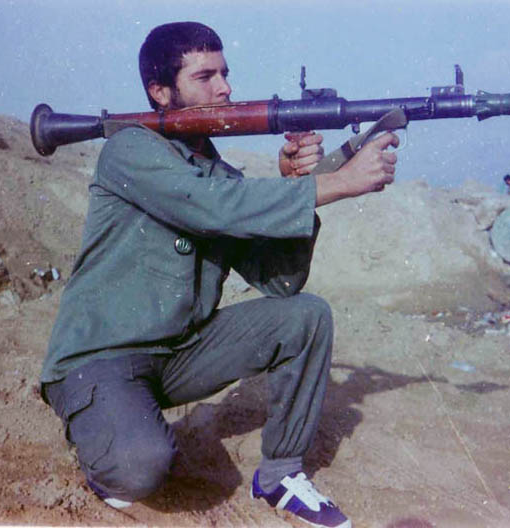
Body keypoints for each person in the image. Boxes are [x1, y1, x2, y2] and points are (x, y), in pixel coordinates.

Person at [40, 21, 398, 528]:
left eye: (225, 74)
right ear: (160, 92)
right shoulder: (130, 150)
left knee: (305, 315)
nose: (225, 88)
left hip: (178, 354)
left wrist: (303, 182)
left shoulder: (215, 175)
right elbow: (213, 205)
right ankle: (104, 440)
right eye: (205, 77)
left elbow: (279, 282)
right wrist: (339, 183)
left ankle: (280, 474)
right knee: (140, 469)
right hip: (101, 358)